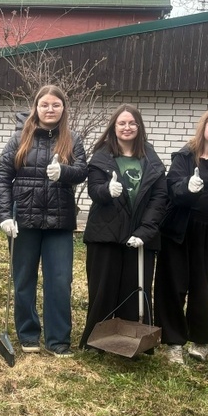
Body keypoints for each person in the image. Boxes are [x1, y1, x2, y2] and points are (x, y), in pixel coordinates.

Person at [0, 85, 87, 357]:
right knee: (24, 279)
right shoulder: (19, 138)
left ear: (63, 109)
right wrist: (4, 217)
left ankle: (58, 340)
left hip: (59, 222)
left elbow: (82, 171)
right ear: (36, 108)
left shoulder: (72, 139)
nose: (50, 110)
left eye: (55, 105)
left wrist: (64, 172)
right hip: (25, 220)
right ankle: (28, 334)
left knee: (59, 280)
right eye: (44, 105)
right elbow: (2, 178)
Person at [154, 108, 208, 364]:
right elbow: (173, 189)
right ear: (204, 127)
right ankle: (172, 341)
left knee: (202, 287)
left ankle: (201, 340)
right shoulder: (184, 157)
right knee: (172, 285)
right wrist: (187, 188)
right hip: (179, 230)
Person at [80, 104, 168, 350]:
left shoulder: (151, 159)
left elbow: (159, 198)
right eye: (122, 123)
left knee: (135, 288)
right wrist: (106, 191)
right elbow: (94, 191)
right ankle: (97, 341)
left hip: (141, 237)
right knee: (103, 290)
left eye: (132, 123)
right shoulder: (101, 157)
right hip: (105, 235)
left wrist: (145, 232)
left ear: (139, 127)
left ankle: (133, 343)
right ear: (114, 127)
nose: (127, 127)